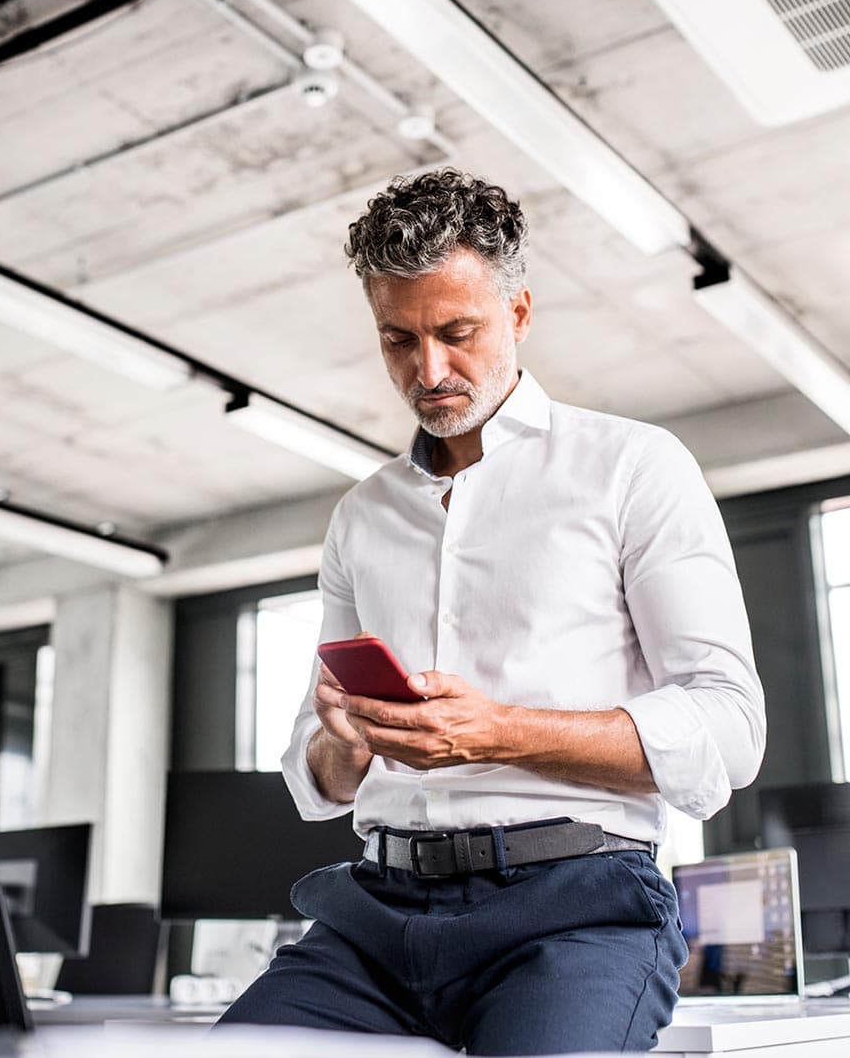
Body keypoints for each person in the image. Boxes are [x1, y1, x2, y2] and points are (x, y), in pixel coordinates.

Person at [218, 168, 766, 1054]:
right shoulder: (362, 515)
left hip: (575, 912)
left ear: (518, 313)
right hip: (375, 914)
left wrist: (497, 732)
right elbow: (317, 773)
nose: (428, 370)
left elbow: (729, 728)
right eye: (399, 339)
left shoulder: (633, 467)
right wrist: (345, 743)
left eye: (456, 332)